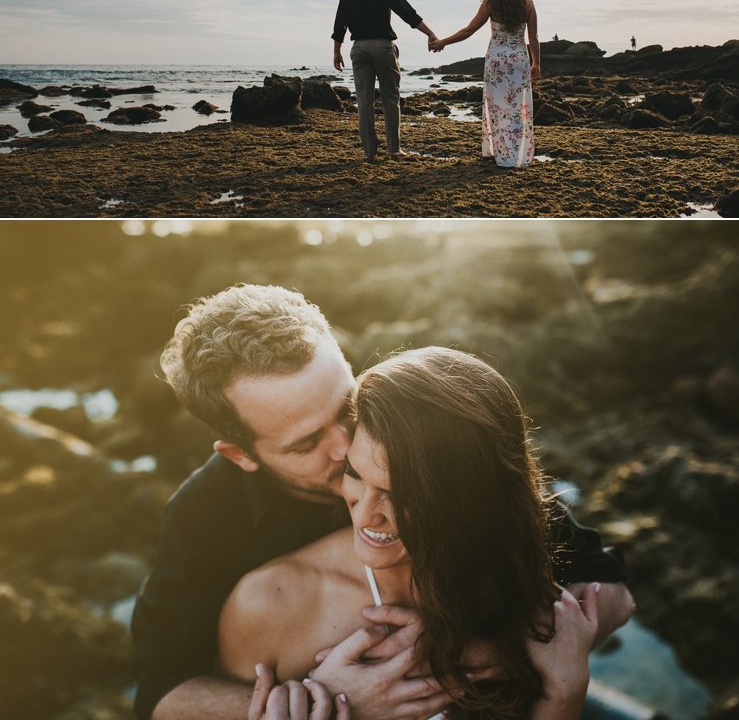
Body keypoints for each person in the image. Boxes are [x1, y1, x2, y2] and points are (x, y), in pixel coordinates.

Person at [132, 285, 633, 720]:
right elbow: (162, 694)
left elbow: (605, 582)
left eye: (347, 409)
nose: (347, 446)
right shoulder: (205, 519)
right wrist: (326, 703)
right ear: (241, 454)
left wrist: (497, 652)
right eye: (307, 444)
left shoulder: (411, 437)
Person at [429, 0, 539, 171]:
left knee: (497, 107)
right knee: (517, 107)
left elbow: (469, 30)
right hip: (518, 61)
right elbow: (533, 38)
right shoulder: (528, 4)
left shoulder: (490, 4)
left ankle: (500, 153)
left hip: (496, 61)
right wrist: (537, 63)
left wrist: (444, 41)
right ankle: (517, 152)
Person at [333, 0, 439, 162]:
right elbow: (409, 15)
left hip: (359, 48)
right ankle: (394, 150)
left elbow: (339, 26)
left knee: (364, 101)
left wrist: (337, 51)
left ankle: (370, 153)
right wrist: (430, 34)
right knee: (390, 98)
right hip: (383, 46)